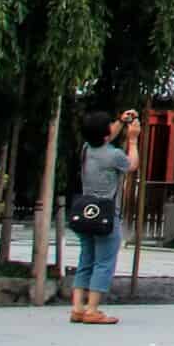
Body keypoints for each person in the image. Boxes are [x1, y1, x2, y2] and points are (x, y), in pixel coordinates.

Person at [70, 107, 138, 326]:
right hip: (107, 213)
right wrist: (133, 140)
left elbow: (104, 137)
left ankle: (78, 308)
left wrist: (119, 120)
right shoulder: (115, 155)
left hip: (85, 211)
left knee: (85, 260)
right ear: (106, 134)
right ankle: (93, 310)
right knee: (104, 262)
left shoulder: (86, 149)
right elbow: (132, 165)